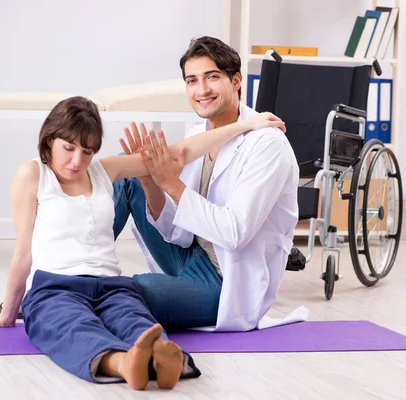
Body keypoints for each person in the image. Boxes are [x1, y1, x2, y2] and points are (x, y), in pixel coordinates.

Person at [0, 95, 285, 390]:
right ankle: (126, 364)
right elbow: (22, 253)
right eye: (68, 148)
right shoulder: (33, 174)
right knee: (70, 326)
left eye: (87, 151)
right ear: (49, 140)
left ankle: (161, 356)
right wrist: (8, 313)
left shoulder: (103, 170)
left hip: (111, 286)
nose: (76, 161)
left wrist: (247, 124)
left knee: (136, 321)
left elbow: (179, 153)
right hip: (56, 286)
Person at [112, 36, 301, 332]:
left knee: (132, 290)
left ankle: (75, 292)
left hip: (224, 279)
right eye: (192, 81)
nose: (201, 91)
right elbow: (177, 232)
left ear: (235, 80)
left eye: (212, 77)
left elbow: (234, 232)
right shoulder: (197, 135)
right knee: (129, 170)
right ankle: (76, 269)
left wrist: (171, 184)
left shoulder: (267, 145)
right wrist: (150, 184)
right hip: (187, 253)